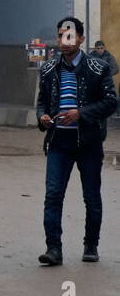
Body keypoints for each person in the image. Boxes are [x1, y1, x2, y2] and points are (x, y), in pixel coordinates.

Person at [37, 17, 117, 265]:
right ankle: (53, 249)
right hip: (59, 142)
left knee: (91, 196)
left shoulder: (98, 68)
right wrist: (43, 117)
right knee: (53, 195)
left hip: (89, 143)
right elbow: (42, 101)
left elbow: (111, 102)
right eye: (61, 36)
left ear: (81, 39)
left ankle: (90, 246)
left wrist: (81, 114)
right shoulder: (49, 69)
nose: (65, 41)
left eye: (70, 36)